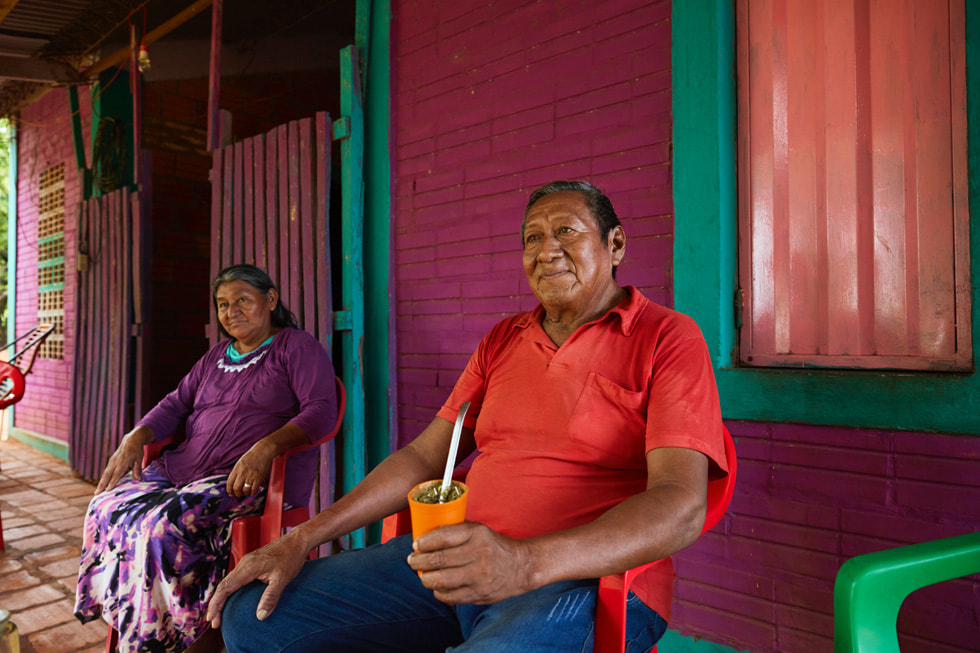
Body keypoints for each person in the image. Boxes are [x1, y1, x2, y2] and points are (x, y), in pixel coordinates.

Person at [210, 181, 729, 652]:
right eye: (532, 238)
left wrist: (523, 563)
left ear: (615, 245)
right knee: (253, 617)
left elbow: (680, 505)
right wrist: (301, 538)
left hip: (582, 582)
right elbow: (423, 458)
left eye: (566, 232)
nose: (546, 251)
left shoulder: (666, 338)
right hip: (461, 559)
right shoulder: (503, 340)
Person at [74, 264, 338, 653]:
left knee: (162, 526)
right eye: (223, 304)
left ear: (270, 299)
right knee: (105, 506)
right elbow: (176, 403)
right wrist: (136, 436)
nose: (231, 311)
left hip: (244, 480)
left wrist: (266, 447)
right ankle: (134, 617)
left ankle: (182, 635)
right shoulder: (215, 356)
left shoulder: (295, 347)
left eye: (242, 300)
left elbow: (321, 410)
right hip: (183, 469)